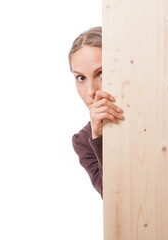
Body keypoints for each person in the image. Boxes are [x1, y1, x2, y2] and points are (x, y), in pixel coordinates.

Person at [68, 26, 124, 199]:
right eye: (81, 78)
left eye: (101, 73)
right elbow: (114, 200)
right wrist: (98, 136)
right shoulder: (84, 142)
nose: (91, 91)